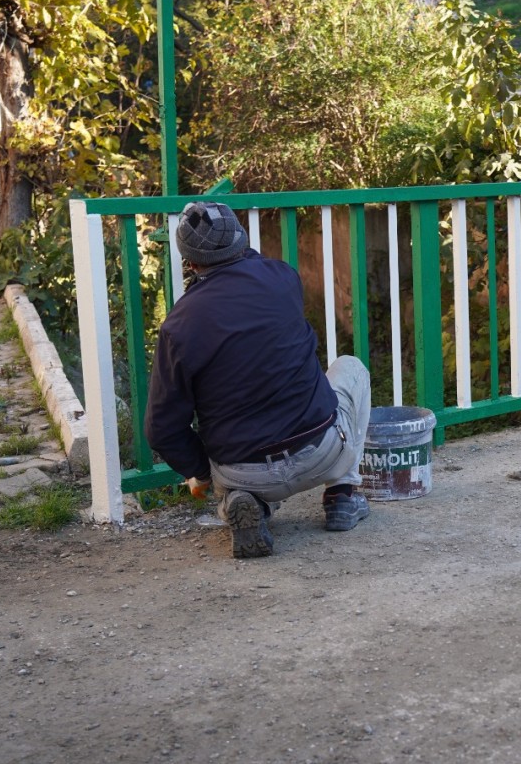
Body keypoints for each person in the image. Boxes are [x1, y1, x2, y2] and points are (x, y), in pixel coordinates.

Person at [144, 201, 372, 558]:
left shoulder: (179, 326)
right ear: (242, 240)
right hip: (320, 453)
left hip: (244, 470)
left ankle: (244, 502)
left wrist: (201, 473)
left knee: (233, 482)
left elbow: (161, 428)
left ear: (189, 263)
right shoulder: (283, 278)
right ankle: (342, 494)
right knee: (351, 367)